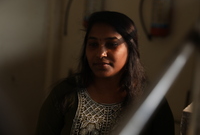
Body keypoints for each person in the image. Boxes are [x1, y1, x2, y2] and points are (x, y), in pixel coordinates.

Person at [35, 11, 174, 135]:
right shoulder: (65, 93)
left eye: (112, 44)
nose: (100, 54)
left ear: (131, 49)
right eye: (93, 44)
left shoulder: (151, 100)